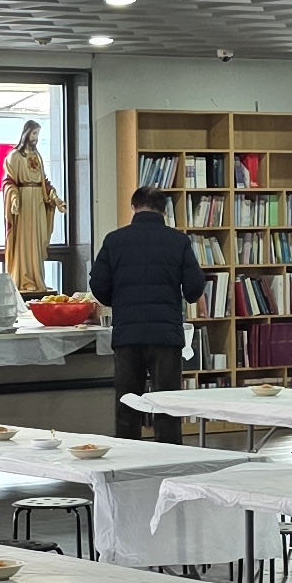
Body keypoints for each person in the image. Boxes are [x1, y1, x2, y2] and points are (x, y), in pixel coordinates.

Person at [89, 183, 208, 442]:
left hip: (128, 334)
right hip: (165, 335)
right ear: (164, 211)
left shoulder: (114, 240)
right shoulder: (178, 241)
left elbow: (98, 284)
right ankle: (168, 456)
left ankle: (128, 456)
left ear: (133, 207)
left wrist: (119, 302)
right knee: (167, 403)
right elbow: (193, 288)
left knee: (127, 403)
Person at [0, 120, 60, 295]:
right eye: (34, 134)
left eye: (38, 134)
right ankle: (25, 279)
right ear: (26, 134)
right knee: (25, 241)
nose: (36, 138)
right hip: (24, 202)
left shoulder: (37, 157)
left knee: (38, 241)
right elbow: (9, 181)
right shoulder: (14, 156)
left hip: (38, 202)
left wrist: (55, 198)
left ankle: (37, 277)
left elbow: (44, 182)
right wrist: (14, 199)